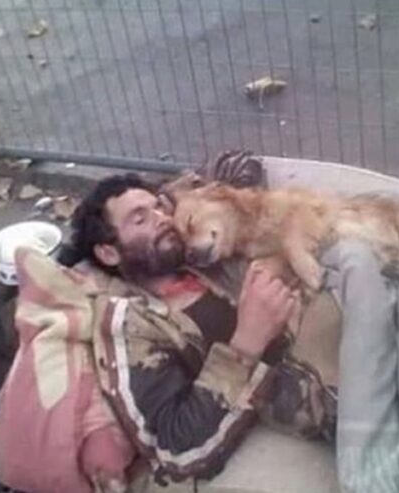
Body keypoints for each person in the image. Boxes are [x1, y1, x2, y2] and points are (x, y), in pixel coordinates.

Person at [60, 173, 342, 484]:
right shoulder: (132, 324)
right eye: (140, 219)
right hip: (327, 384)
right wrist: (246, 345)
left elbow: (234, 199)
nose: (162, 218)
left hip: (334, 301)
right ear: (108, 253)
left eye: (158, 208)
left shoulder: (199, 253)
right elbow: (176, 448)